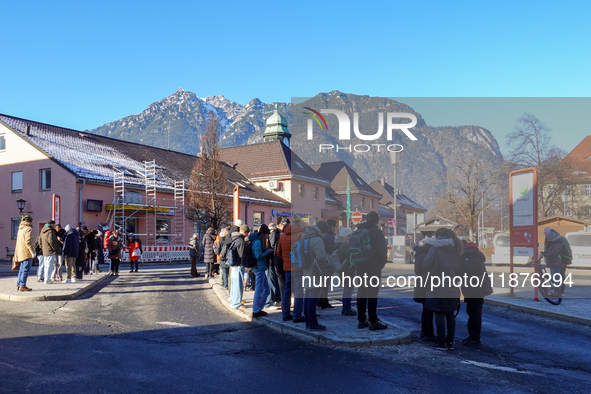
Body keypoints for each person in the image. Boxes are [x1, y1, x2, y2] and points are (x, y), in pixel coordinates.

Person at [422, 228, 463, 350]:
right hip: (453, 284)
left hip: (438, 284)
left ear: (438, 235)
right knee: (450, 313)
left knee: (438, 312)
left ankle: (441, 342)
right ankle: (450, 342)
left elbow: (426, 264)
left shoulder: (436, 247)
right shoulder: (457, 247)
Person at [356, 211, 388, 330]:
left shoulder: (358, 231)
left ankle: (361, 320)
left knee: (362, 292)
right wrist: (381, 263)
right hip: (373, 266)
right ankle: (373, 321)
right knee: (373, 294)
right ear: (376, 221)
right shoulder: (377, 232)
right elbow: (382, 251)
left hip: (360, 266)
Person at [458, 240, 493, 346]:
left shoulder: (470, 255)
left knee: (474, 313)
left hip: (475, 288)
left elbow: (464, 271)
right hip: (475, 288)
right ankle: (473, 336)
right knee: (473, 312)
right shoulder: (472, 253)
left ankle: (475, 338)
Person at [301, 223, 332, 331]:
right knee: (313, 299)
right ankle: (313, 323)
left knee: (308, 298)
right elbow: (321, 257)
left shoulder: (305, 238)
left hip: (307, 271)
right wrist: (329, 258)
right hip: (316, 272)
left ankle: (307, 322)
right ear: (321, 232)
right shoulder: (317, 240)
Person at [277, 217, 305, 322]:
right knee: (298, 291)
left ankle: (285, 314)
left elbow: (278, 252)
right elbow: (304, 251)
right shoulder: (300, 235)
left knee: (287, 291)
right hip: (298, 267)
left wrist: (285, 259)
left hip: (287, 267)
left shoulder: (283, 236)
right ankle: (297, 315)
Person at [413, 238, 435, 341]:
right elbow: (419, 270)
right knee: (428, 308)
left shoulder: (420, 254)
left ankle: (425, 331)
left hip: (422, 283)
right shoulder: (424, 255)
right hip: (426, 283)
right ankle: (427, 331)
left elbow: (417, 270)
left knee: (426, 308)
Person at [250, 225, 274, 318]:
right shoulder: (257, 242)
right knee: (259, 290)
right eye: (267, 235)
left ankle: (259, 308)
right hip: (258, 268)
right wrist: (268, 251)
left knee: (266, 290)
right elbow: (258, 256)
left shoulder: (256, 240)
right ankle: (256, 310)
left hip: (260, 268)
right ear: (264, 234)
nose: (267, 237)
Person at [335, 225, 356, 316]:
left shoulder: (340, 244)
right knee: (348, 290)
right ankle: (347, 308)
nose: (351, 237)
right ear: (346, 236)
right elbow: (352, 258)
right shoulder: (346, 245)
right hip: (347, 271)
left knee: (347, 289)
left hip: (344, 271)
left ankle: (346, 308)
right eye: (350, 235)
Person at [543, 227, 572, 295]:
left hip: (560, 261)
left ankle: (559, 291)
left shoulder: (557, 241)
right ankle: (559, 291)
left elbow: (551, 252)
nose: (547, 238)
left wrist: (546, 258)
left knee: (557, 276)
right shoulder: (559, 239)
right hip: (558, 261)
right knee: (558, 276)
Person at [318, 219, 337, 309]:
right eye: (335, 226)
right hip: (326, 262)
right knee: (325, 284)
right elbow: (331, 250)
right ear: (331, 227)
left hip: (319, 264)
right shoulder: (330, 237)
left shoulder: (320, 236)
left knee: (320, 283)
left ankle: (320, 300)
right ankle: (324, 302)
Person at [229, 225, 249, 309]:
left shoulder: (234, 237)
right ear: (244, 232)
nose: (248, 234)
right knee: (238, 285)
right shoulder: (240, 240)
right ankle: (237, 303)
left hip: (233, 264)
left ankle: (233, 301)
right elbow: (241, 254)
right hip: (238, 265)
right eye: (247, 233)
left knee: (234, 284)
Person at [14, 215, 35, 292]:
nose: (33, 222)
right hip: (26, 253)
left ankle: (19, 284)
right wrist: (32, 252)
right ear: (29, 221)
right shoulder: (29, 229)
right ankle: (22, 285)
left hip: (20, 252)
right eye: (32, 220)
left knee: (21, 269)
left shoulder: (20, 229)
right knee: (26, 269)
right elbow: (28, 242)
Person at [40, 220, 59, 285]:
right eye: (54, 225)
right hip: (50, 251)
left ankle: (46, 279)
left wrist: (42, 248)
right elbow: (51, 241)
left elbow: (39, 240)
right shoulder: (50, 231)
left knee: (45, 266)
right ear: (51, 224)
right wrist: (55, 248)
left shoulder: (42, 230)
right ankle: (47, 280)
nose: (55, 226)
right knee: (49, 266)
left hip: (44, 250)